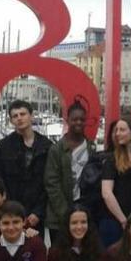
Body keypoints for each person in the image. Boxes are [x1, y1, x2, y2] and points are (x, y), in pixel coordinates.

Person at [0, 100, 52, 236]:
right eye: (15, 116)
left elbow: (50, 182)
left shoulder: (47, 146)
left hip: (37, 213)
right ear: (11, 121)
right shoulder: (3, 147)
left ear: (31, 116)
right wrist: (8, 209)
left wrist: (39, 212)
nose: (19, 118)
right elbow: (0, 181)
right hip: (11, 214)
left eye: (23, 114)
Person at [46, 101, 95, 243]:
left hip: (84, 211)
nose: (78, 122)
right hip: (60, 216)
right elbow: (51, 183)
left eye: (82, 119)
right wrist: (65, 213)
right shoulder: (56, 149)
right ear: (67, 120)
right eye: (75, 119)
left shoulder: (91, 147)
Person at [100, 117, 131, 247]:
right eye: (116, 130)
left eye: (122, 130)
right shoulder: (111, 160)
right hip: (115, 221)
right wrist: (123, 220)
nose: (117, 133)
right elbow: (106, 193)